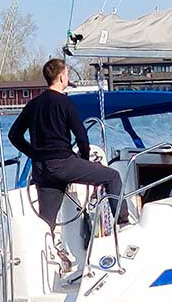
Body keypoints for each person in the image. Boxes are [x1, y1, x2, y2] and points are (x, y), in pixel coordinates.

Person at [8, 58, 127, 231]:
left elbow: (14, 135)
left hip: (42, 170)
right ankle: (123, 224)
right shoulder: (65, 103)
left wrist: (34, 154)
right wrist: (84, 161)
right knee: (112, 176)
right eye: (67, 74)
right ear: (62, 77)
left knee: (47, 222)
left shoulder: (32, 105)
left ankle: (45, 249)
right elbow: (81, 137)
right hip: (64, 164)